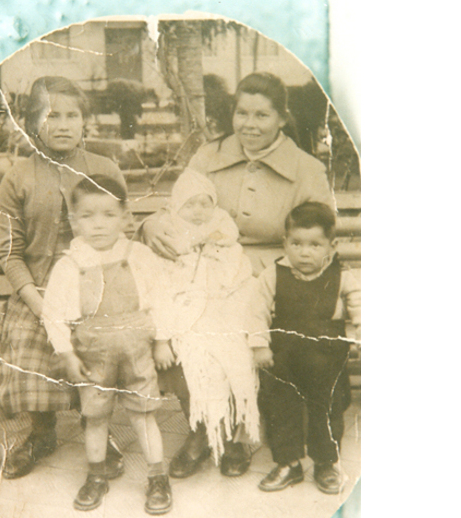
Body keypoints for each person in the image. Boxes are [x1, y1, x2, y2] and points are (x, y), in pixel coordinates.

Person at [142, 72, 336, 478]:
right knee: (180, 330)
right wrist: (151, 224)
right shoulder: (208, 156)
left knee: (239, 329)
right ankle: (202, 427)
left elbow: (318, 234)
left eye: (262, 115)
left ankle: (238, 435)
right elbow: (177, 204)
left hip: (271, 276)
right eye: (242, 113)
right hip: (201, 272)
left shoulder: (307, 169)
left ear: (282, 118)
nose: (250, 124)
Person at [0, 77, 126, 480]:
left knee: (99, 345)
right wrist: (39, 303)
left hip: (97, 289)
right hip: (38, 292)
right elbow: (9, 251)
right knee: (27, 347)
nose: (62, 124)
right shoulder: (19, 176)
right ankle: (35, 434)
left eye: (71, 115)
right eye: (50, 115)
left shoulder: (104, 169)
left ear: (84, 122)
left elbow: (120, 234)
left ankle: (97, 428)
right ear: (33, 122)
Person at [43, 176, 174, 515]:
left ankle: (158, 476)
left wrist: (162, 342)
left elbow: (162, 299)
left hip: (138, 350)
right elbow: (53, 315)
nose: (98, 225)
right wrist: (67, 354)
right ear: (73, 220)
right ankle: (96, 475)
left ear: (124, 217)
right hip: (93, 354)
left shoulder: (139, 255)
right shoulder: (70, 264)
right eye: (87, 216)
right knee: (96, 416)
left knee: (144, 415)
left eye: (108, 215)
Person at [251, 202, 360, 494]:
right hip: (282, 356)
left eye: (315, 244)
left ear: (331, 245)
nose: (305, 251)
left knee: (327, 409)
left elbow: (361, 305)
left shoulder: (343, 276)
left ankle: (325, 462)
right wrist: (260, 345)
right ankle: (288, 463)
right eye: (297, 243)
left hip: (327, 357)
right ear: (285, 242)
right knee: (280, 407)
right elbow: (256, 312)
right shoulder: (272, 275)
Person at [157, 168, 260, 464]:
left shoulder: (223, 233)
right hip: (187, 310)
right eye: (190, 204)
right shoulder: (171, 235)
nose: (199, 211)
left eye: (205, 203)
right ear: (177, 207)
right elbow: (165, 284)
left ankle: (233, 434)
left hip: (224, 306)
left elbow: (237, 272)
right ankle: (201, 428)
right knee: (191, 352)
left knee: (233, 350)